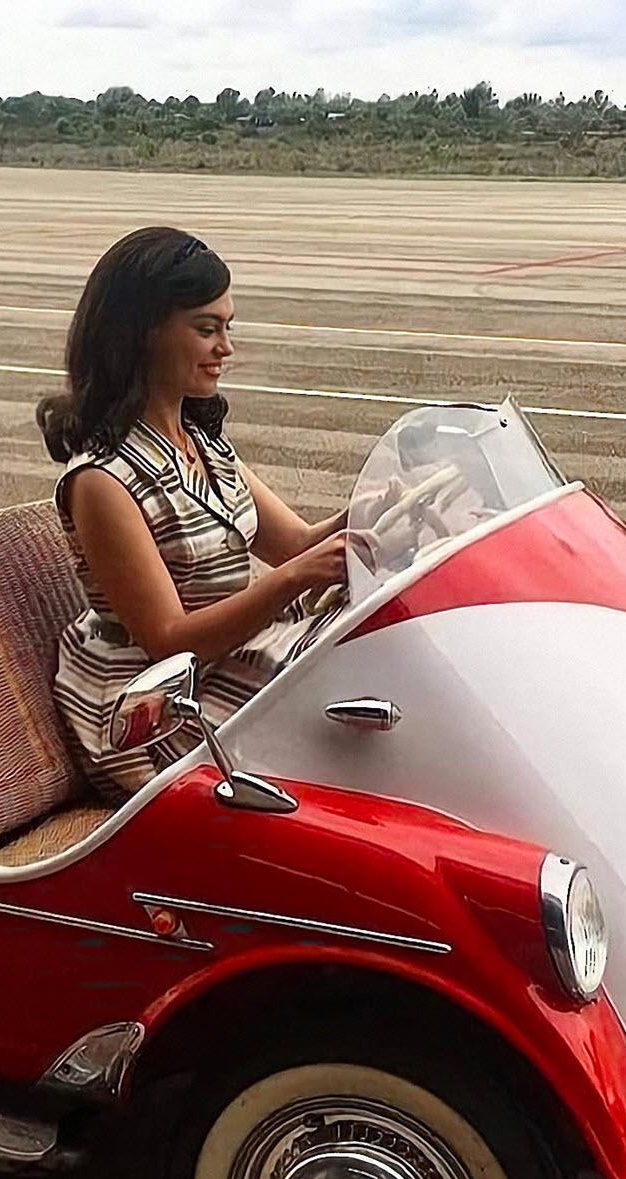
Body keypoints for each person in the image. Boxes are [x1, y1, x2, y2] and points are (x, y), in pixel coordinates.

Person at [37, 226, 373, 797]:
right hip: (157, 709)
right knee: (355, 705)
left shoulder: (203, 444)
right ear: (142, 334)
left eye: (227, 327)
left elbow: (295, 543)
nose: (226, 348)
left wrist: (389, 506)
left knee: (373, 673)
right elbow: (168, 639)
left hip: (227, 666)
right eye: (206, 329)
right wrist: (295, 578)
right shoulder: (101, 480)